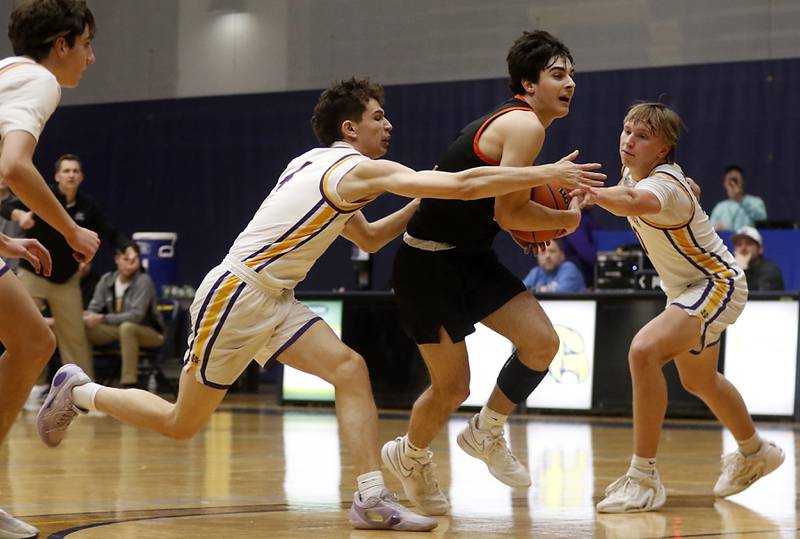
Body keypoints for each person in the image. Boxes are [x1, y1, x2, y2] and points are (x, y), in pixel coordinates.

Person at [36, 77, 604, 532]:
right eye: (379, 117)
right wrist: (545, 172)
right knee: (183, 424)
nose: (389, 124)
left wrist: (422, 203)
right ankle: (81, 390)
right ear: (350, 127)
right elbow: (458, 188)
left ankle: (370, 500)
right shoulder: (352, 168)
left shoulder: (315, 163)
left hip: (275, 298)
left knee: (349, 368)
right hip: (235, 296)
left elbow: (371, 238)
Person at [383, 30, 596, 516]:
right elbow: (509, 213)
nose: (570, 85)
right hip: (427, 262)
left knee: (542, 343)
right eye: (558, 75)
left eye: (572, 77)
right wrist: (565, 219)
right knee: (451, 388)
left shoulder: (519, 124)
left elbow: (505, 211)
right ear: (528, 83)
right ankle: (409, 455)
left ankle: (486, 430)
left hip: (470, 256)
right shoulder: (525, 126)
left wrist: (534, 215)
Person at [573, 102, 783, 513]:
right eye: (626, 130)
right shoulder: (640, 175)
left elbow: (637, 200)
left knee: (643, 350)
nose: (629, 140)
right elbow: (633, 191)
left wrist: (595, 196)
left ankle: (644, 477)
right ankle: (755, 451)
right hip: (687, 289)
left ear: (664, 148)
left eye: (643, 136)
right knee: (700, 381)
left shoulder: (664, 183)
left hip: (715, 282)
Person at [0, 1, 99, 536]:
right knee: (34, 343)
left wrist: (4, 243)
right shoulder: (39, 80)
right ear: (61, 43)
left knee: (34, 341)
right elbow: (14, 167)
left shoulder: (5, 74)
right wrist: (71, 231)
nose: (90, 56)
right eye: (85, 44)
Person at [1, 153, 129, 386]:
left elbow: (109, 230)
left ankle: (82, 390)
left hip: (67, 278)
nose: (71, 175)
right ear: (57, 176)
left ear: (81, 177)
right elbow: (6, 206)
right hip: (33, 274)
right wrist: (20, 216)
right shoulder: (43, 196)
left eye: (75, 171)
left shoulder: (87, 206)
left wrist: (128, 247)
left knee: (75, 337)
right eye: (66, 171)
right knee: (27, 332)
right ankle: (31, 388)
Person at [84, 242, 165, 388]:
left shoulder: (143, 281)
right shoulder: (106, 280)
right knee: (82, 328)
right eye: (126, 259)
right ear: (117, 259)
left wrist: (102, 318)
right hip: (117, 329)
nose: (130, 263)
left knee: (127, 327)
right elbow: (94, 308)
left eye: (134, 259)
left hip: (148, 331)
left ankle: (129, 383)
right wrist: (89, 316)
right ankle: (85, 381)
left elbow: (136, 316)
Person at [708, 165, 766, 231]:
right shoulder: (720, 207)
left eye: (735, 180)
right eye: (730, 180)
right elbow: (710, 230)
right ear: (725, 183)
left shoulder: (755, 202)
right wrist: (715, 227)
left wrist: (739, 198)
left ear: (743, 181)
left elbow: (762, 220)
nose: (733, 183)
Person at [731, 226, 784, 291]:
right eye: (739, 244)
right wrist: (737, 270)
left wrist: (742, 271)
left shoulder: (770, 270)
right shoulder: (729, 269)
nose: (743, 248)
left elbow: (760, 298)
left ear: (760, 249)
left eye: (749, 243)